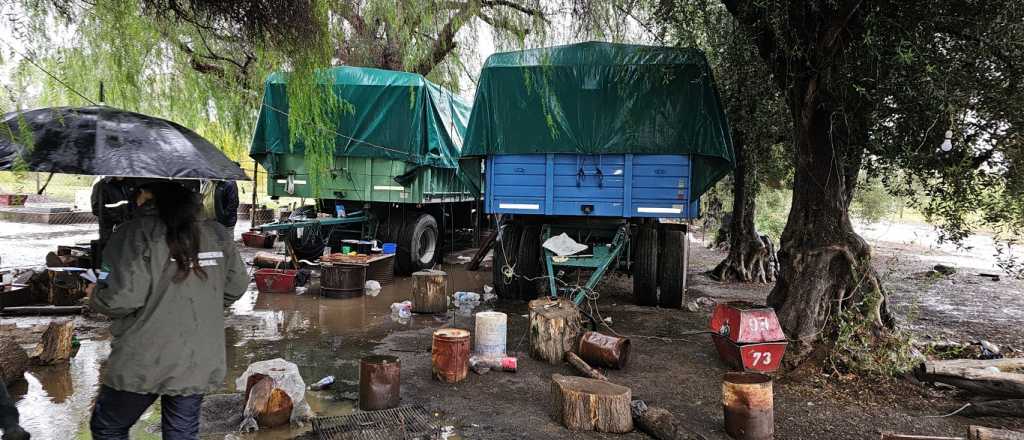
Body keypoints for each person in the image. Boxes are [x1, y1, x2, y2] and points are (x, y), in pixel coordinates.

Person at [87, 180, 249, 440]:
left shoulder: (134, 233)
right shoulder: (216, 233)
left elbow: (120, 299)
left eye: (136, 190)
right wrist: (204, 302)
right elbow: (237, 285)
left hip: (145, 357)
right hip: (198, 356)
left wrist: (95, 293)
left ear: (147, 194)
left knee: (109, 427)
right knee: (181, 433)